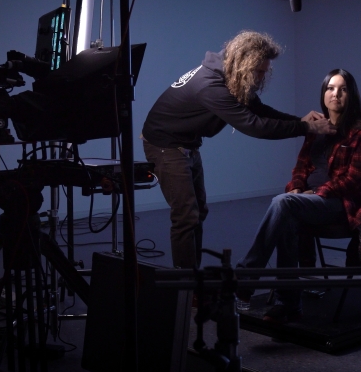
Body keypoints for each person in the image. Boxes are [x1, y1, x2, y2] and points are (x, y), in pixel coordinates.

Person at [141, 30, 336, 269]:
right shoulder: (211, 86)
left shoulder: (231, 76)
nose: (262, 77)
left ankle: (193, 278)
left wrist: (301, 120)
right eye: (260, 71)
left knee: (198, 212)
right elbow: (254, 125)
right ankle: (186, 289)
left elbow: (259, 110)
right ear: (245, 64)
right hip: (165, 146)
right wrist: (306, 127)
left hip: (187, 144)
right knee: (185, 216)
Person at [235, 68, 361, 323]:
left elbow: (352, 180)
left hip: (340, 203)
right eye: (331, 88)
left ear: (351, 95)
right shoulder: (316, 128)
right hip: (307, 201)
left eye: (343, 89)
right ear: (323, 94)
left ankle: (245, 280)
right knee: (287, 217)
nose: (336, 94)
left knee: (283, 203)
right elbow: (301, 166)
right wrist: (299, 187)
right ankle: (288, 302)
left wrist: (317, 192)